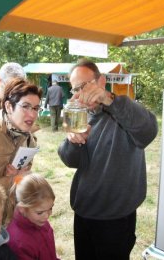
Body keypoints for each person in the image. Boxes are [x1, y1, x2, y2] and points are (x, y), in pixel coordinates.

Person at [58, 59, 158, 260]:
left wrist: (110, 99)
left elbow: (149, 130)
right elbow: (70, 160)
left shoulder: (124, 112)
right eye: (74, 89)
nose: (79, 94)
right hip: (84, 212)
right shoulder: (81, 115)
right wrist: (73, 141)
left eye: (83, 86)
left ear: (101, 82)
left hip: (116, 217)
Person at [7, 173, 59, 260]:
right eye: (40, 212)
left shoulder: (40, 223)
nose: (47, 216)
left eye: (50, 208)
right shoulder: (18, 242)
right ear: (22, 209)